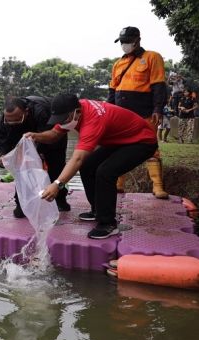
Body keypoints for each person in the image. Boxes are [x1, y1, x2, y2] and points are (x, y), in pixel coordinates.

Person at [26, 94, 157, 239]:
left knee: (105, 172)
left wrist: (57, 184)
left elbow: (77, 158)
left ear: (77, 112)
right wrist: (36, 136)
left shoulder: (93, 120)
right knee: (88, 166)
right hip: (120, 140)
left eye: (65, 119)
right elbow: (54, 134)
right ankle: (97, 210)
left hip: (142, 141)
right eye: (59, 120)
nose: (62, 123)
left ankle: (107, 223)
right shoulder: (71, 111)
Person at [108, 26, 169, 199]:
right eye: (122, 42)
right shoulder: (118, 63)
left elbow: (158, 85)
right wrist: (108, 112)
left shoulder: (152, 57)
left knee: (151, 148)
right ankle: (118, 184)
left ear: (137, 40)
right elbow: (112, 90)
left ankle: (157, 186)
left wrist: (158, 108)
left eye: (127, 42)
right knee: (118, 147)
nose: (124, 45)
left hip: (144, 112)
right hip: (121, 113)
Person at [0, 96, 70, 218]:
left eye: (17, 120)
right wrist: (1, 157)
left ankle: (60, 198)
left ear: (27, 111)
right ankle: (21, 202)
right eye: (9, 121)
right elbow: (1, 144)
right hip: (23, 140)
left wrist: (37, 154)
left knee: (55, 167)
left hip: (50, 136)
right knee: (22, 170)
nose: (12, 123)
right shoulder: (3, 122)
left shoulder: (41, 111)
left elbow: (51, 136)